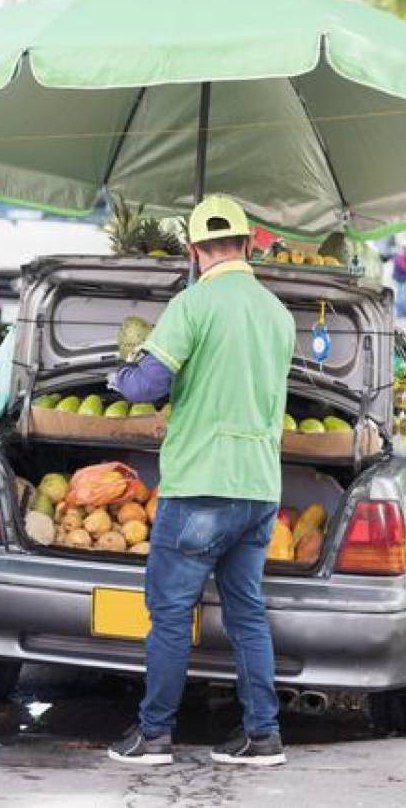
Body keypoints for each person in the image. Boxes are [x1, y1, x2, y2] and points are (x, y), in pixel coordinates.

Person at [105, 194, 296, 767]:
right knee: (247, 614)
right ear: (246, 244)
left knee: (169, 613)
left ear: (193, 251)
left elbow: (146, 386)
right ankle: (262, 735)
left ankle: (155, 734)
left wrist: (119, 376)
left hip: (199, 488)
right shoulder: (278, 314)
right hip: (259, 487)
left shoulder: (193, 304)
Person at [391, 240, 406, 318]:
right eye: (404, 249)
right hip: (401, 279)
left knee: (403, 296)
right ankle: (400, 313)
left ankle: (403, 313)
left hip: (405, 279)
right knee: (402, 297)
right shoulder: (399, 257)